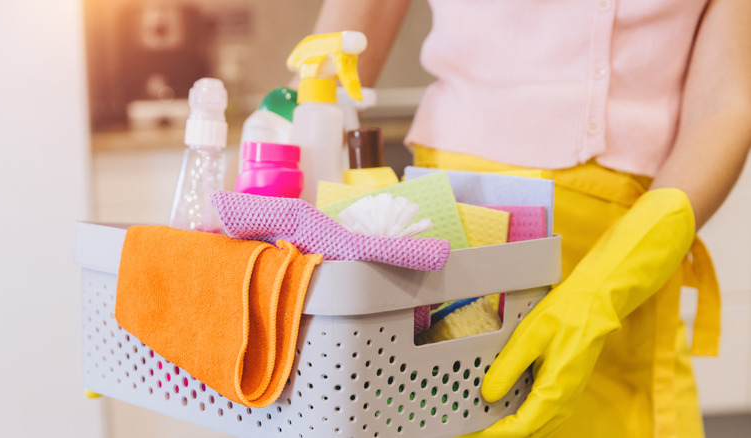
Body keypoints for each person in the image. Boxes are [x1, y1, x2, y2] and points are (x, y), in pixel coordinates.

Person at [309, 1, 751, 437]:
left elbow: (726, 105)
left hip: (627, 260)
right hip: (446, 239)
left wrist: (603, 290)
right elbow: (323, 75)